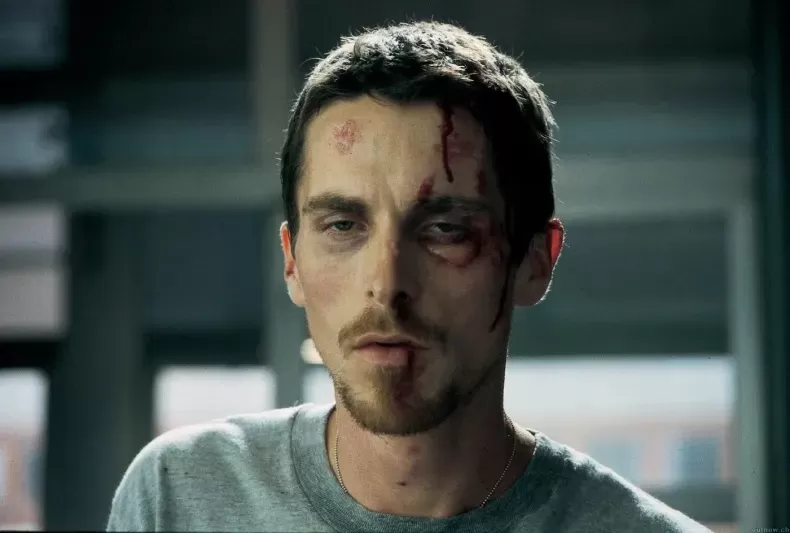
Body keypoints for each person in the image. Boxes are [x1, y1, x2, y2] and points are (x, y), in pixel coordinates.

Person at [107, 21, 711, 532]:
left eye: (445, 229)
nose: (387, 283)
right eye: (344, 225)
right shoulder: (178, 495)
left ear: (535, 260)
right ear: (291, 261)